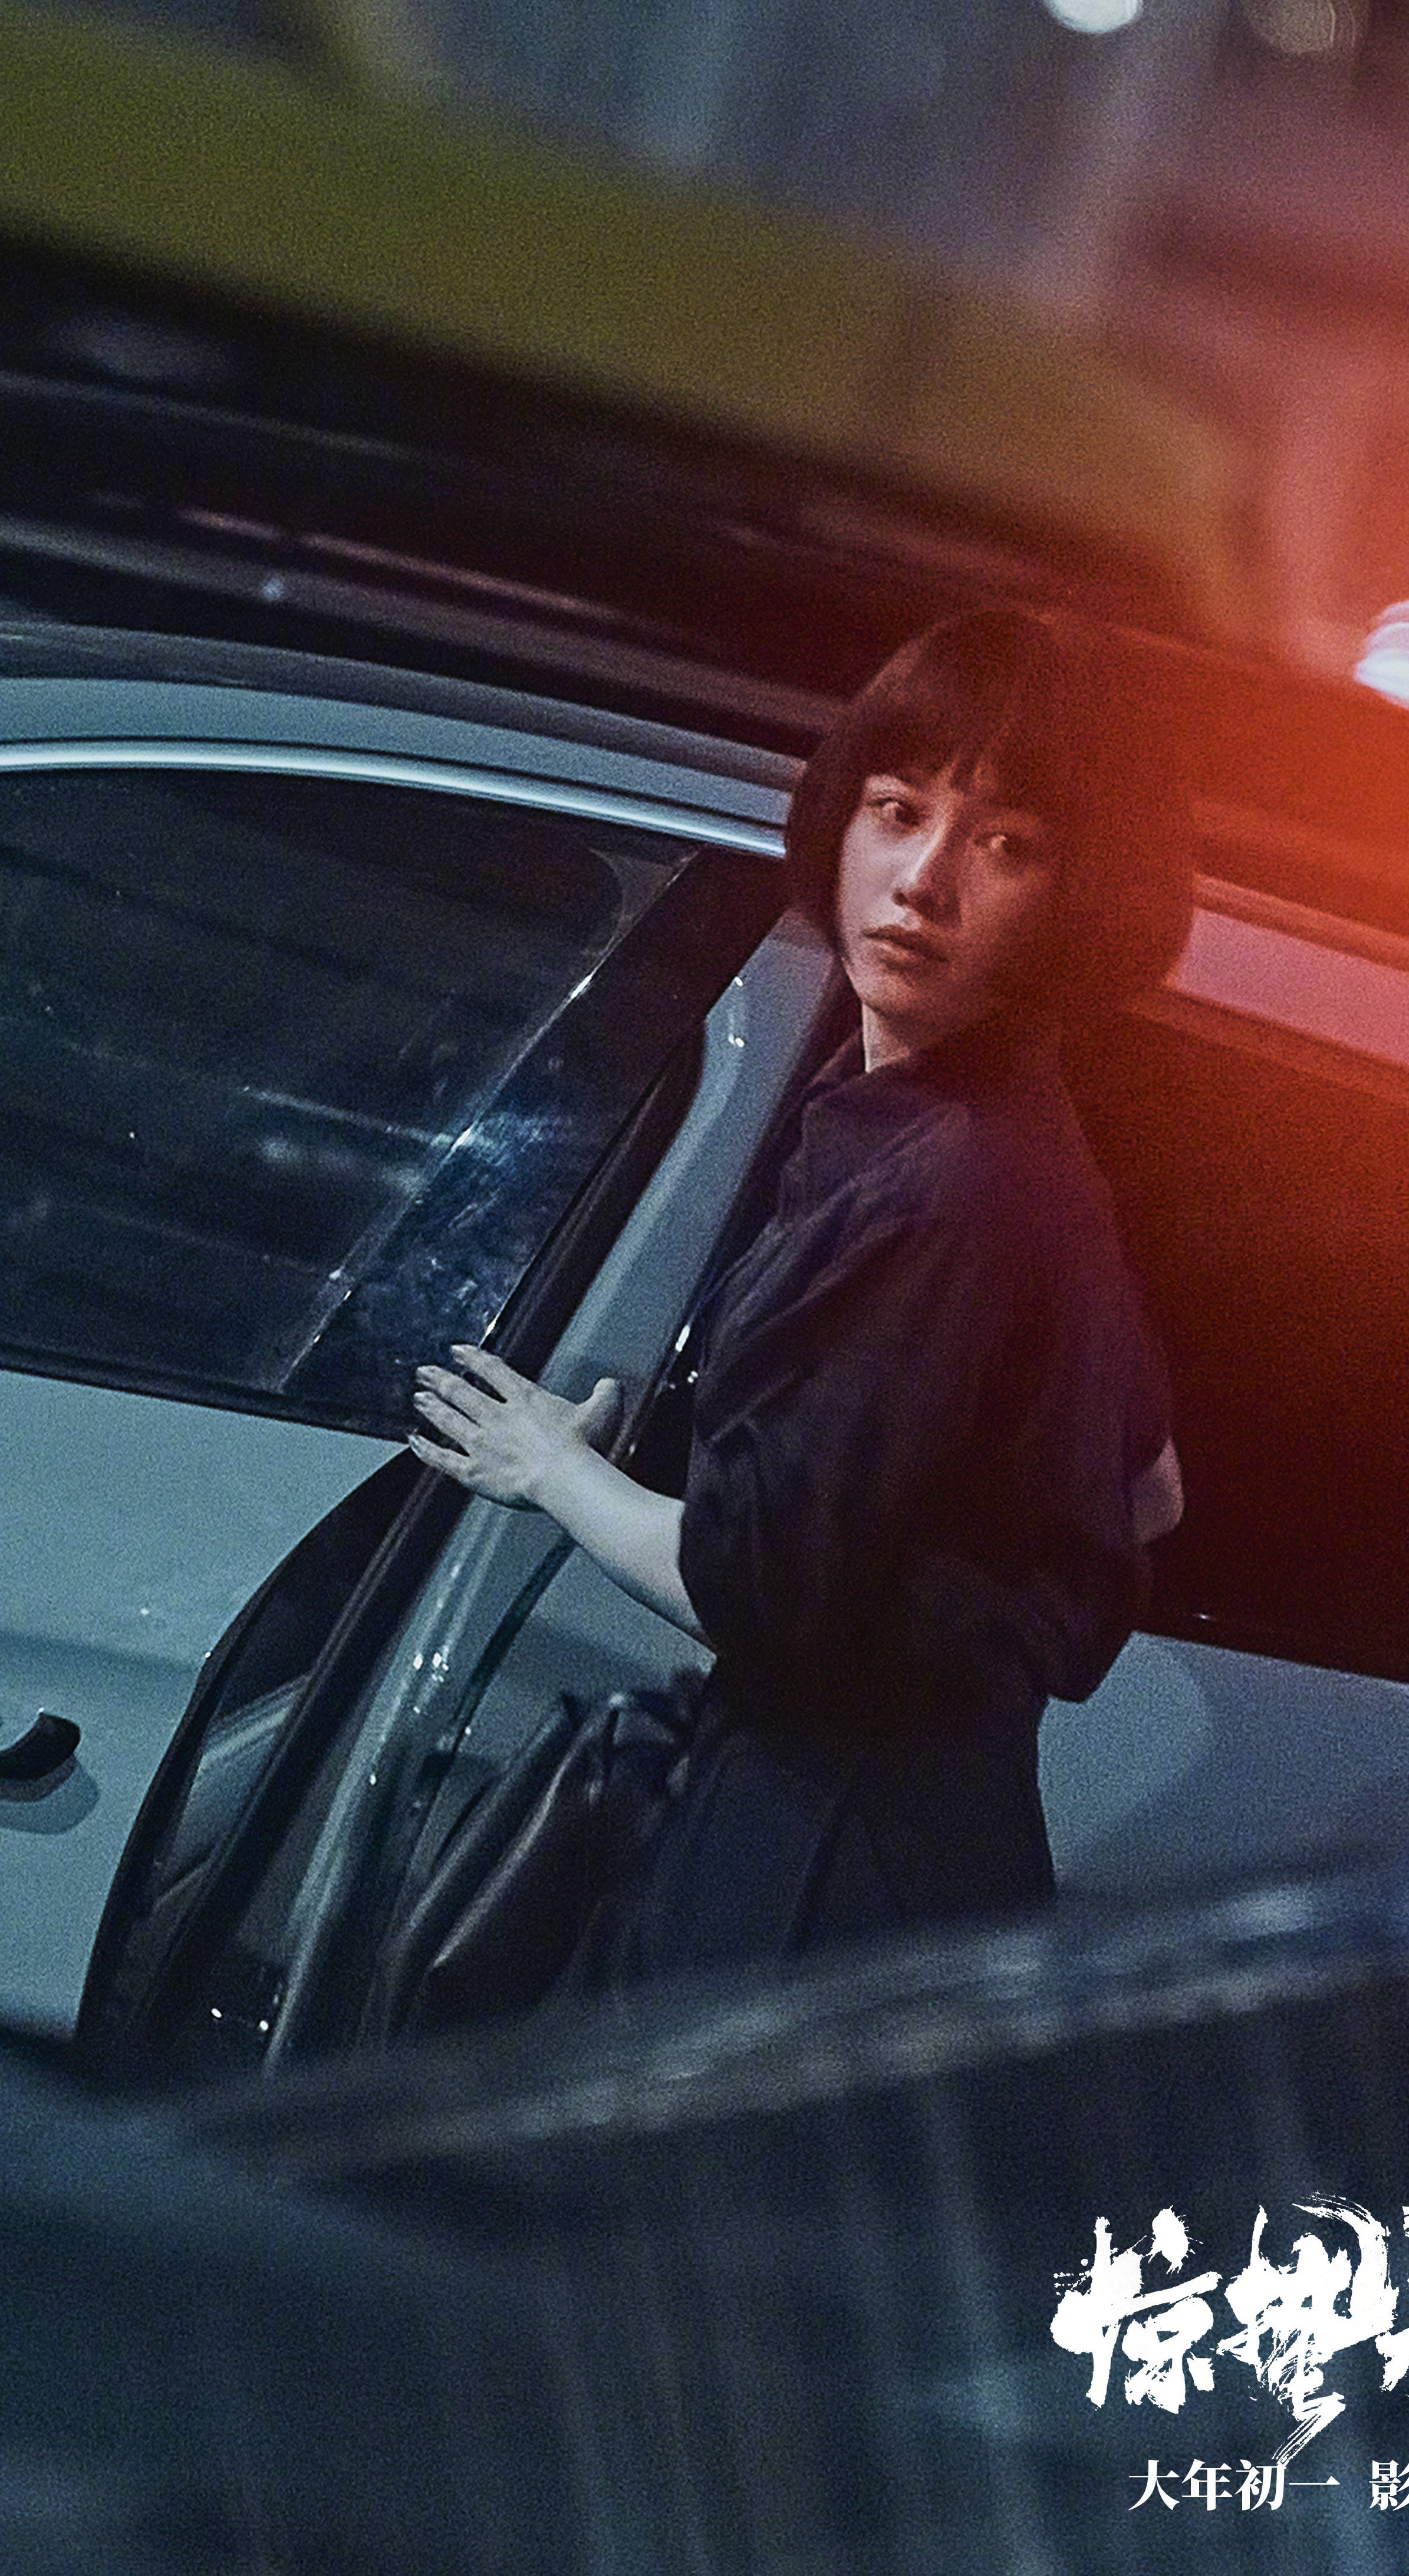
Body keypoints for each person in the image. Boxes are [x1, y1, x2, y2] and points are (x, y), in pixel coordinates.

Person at [408, 609, 1187, 1991]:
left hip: (822, 1865)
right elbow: (1149, 1490)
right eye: (897, 811)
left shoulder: (951, 1181)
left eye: (1006, 844)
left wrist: (552, 1468)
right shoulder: (978, 1130)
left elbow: (755, 1592)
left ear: (1079, 896)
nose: (923, 881)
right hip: (891, 1841)